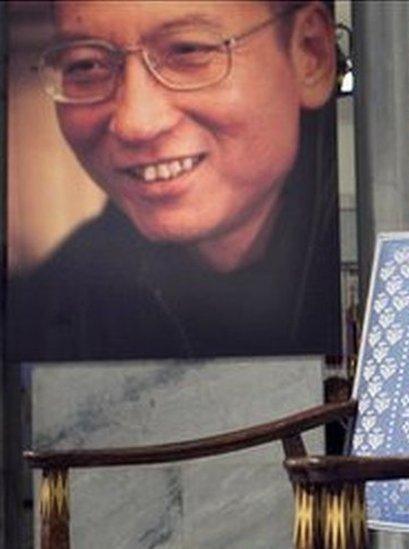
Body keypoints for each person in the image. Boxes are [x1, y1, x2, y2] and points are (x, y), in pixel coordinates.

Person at [8, 1, 340, 361]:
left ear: (310, 53)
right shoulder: (45, 310)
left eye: (188, 50)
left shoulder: (381, 257)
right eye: (85, 65)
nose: (136, 123)